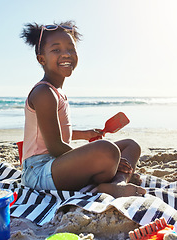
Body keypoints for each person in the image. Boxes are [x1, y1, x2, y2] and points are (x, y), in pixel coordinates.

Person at [20, 21, 146, 198]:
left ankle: (118, 183)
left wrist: (85, 135)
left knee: (131, 146)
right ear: (42, 59)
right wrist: (106, 159)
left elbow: (57, 133)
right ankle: (112, 177)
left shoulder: (57, 91)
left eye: (71, 49)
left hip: (57, 165)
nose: (66, 54)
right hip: (39, 172)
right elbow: (55, 146)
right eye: (56, 50)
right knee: (107, 151)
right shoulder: (44, 93)